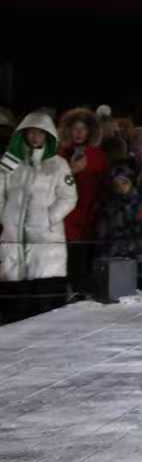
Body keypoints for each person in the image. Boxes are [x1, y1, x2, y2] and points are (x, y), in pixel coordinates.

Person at [0, 111, 78, 321]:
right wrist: (4, 217)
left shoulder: (58, 164)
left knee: (45, 300)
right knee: (14, 302)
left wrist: (48, 218)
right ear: (23, 133)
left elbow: (68, 197)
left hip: (47, 241)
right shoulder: (9, 162)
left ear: (48, 135)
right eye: (31, 132)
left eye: (40, 133)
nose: (35, 137)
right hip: (12, 238)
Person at [57, 107, 108, 293]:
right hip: (67, 217)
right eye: (75, 128)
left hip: (90, 215)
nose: (79, 133)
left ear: (90, 131)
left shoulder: (98, 155)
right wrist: (71, 171)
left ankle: (81, 294)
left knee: (85, 261)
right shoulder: (59, 155)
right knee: (67, 260)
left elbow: (104, 185)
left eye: (83, 129)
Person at [96, 161, 142, 283]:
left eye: (124, 182)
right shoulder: (109, 208)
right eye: (116, 184)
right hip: (118, 262)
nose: (121, 187)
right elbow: (103, 236)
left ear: (131, 182)